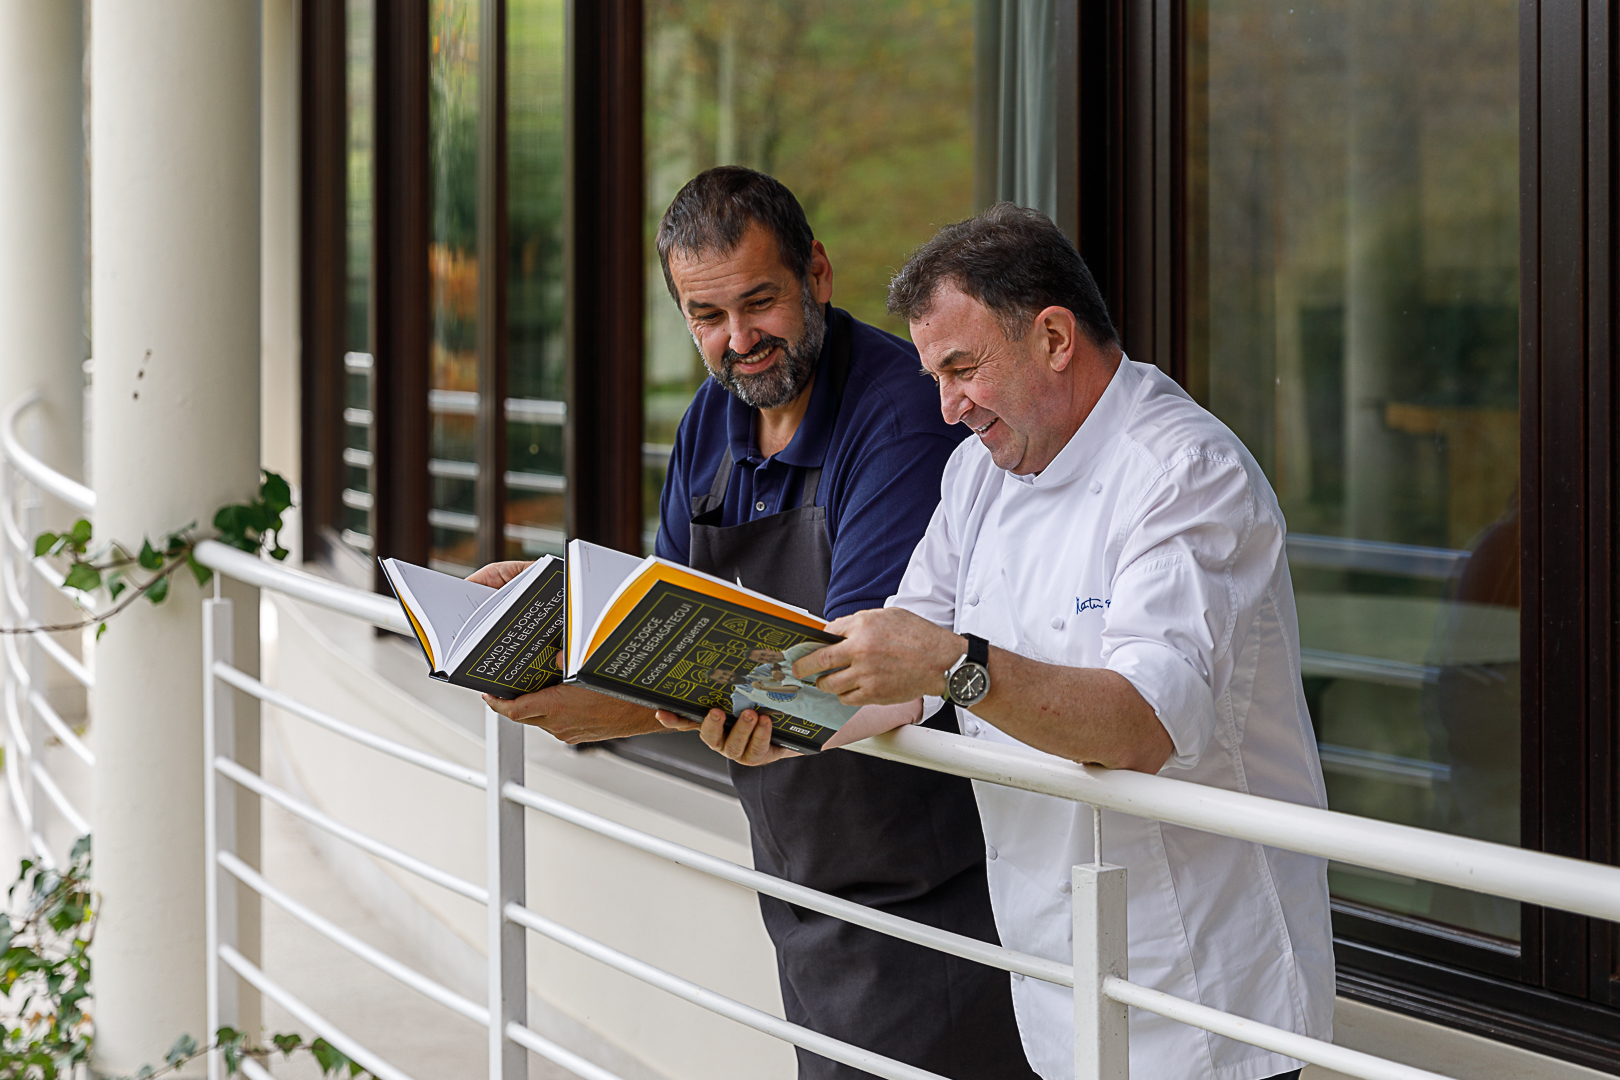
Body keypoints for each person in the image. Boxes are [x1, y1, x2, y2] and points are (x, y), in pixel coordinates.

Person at [682, 204, 1334, 1080]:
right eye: (935, 375)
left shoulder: (1185, 472)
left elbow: (1143, 724)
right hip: (1051, 975)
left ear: (1055, 337)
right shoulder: (980, 473)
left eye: (962, 369)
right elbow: (893, 665)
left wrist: (956, 668)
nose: (947, 409)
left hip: (1199, 991)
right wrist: (767, 713)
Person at [473, 168, 1036, 1079]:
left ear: (816, 272)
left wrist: (602, 705)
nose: (739, 341)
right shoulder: (709, 424)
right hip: (801, 882)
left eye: (759, 301)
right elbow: (667, 636)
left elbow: (845, 674)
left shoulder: (899, 417)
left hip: (937, 902)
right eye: (706, 316)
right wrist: (557, 617)